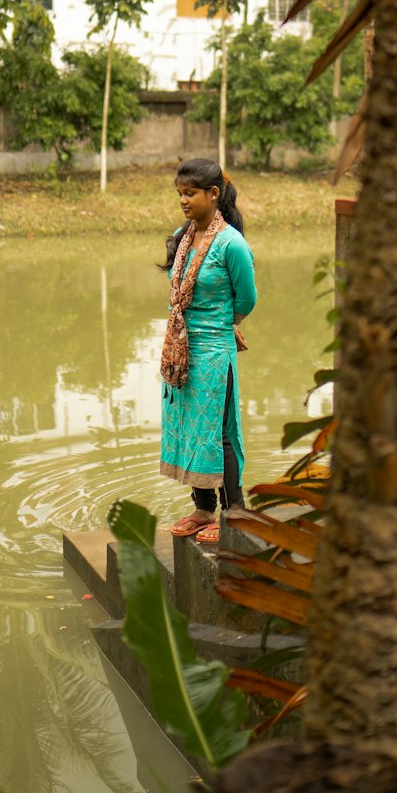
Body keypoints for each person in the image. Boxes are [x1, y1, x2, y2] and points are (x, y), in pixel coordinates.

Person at [159, 158, 257, 544]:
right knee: (188, 425)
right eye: (180, 193)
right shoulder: (182, 236)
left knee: (217, 429)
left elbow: (246, 299)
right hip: (180, 347)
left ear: (213, 194)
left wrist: (219, 323)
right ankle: (202, 508)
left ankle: (234, 510)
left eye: (191, 193)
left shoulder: (231, 244)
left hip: (214, 349)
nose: (183, 200)